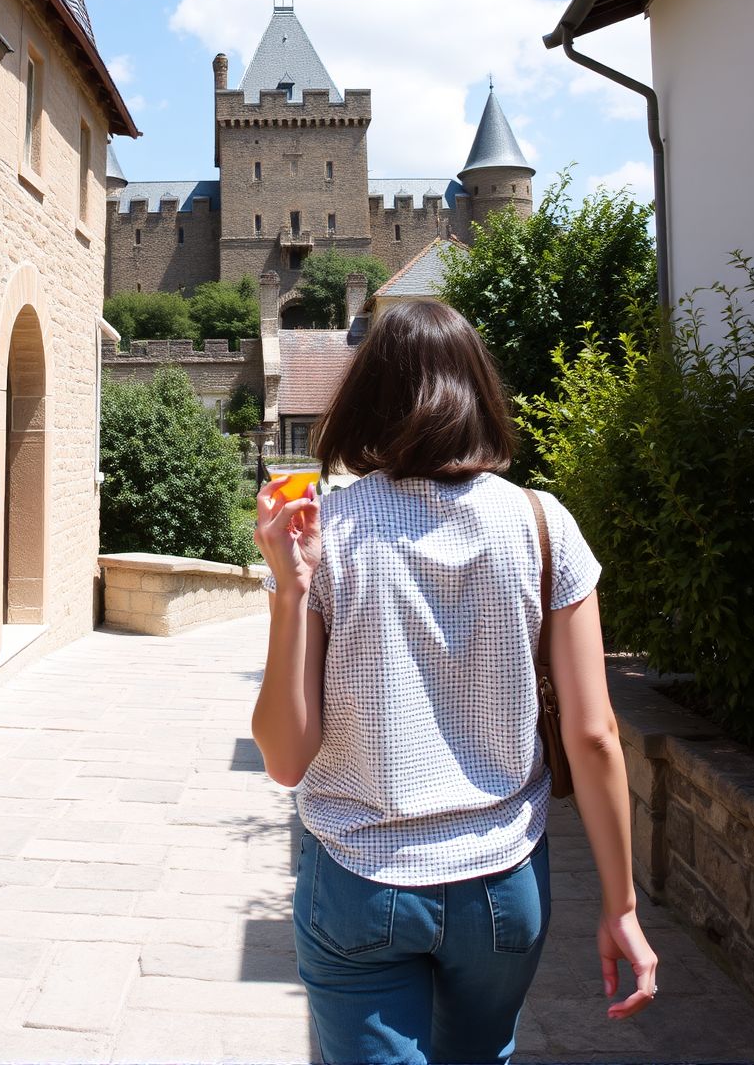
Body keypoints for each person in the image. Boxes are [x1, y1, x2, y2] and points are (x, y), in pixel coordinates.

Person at [251, 301, 657, 1065]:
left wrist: (291, 592)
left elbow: (285, 759)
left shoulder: (326, 535)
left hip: (360, 879)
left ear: (367, 398)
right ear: (479, 393)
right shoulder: (545, 525)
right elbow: (595, 735)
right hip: (503, 888)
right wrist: (622, 904)